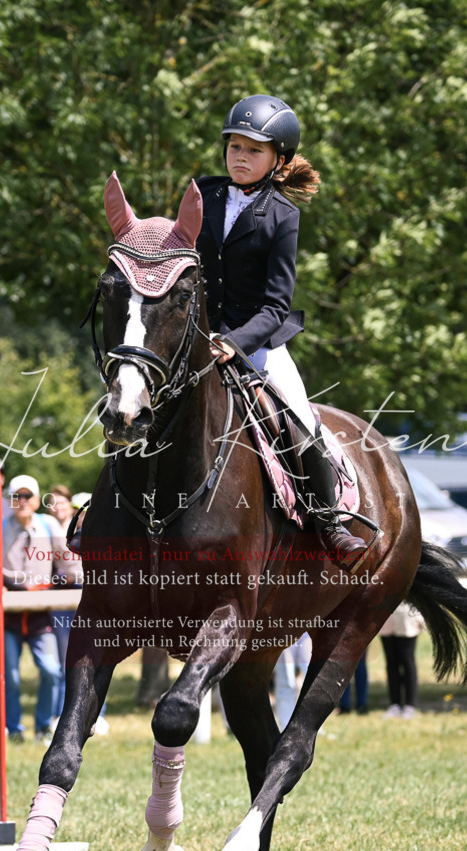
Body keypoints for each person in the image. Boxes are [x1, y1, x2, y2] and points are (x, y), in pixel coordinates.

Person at [196, 94, 372, 567]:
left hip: (255, 343)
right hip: (195, 336)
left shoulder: (282, 216)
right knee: (137, 395)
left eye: (253, 150)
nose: (240, 157)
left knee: (299, 417)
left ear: (278, 158)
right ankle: (103, 513)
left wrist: (234, 342)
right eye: (234, 146)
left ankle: (329, 519)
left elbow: (276, 306)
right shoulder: (200, 195)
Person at [2, 474, 68, 744]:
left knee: (51, 669)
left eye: (28, 496)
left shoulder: (48, 524)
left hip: (42, 609)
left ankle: (43, 726)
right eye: (17, 496)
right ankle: (14, 729)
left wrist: (86, 582)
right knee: (12, 677)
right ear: (10, 500)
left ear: (37, 500)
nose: (22, 501)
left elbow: (67, 561)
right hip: (9, 611)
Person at [379, 603, 425, 719]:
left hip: (406, 614)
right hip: (386, 612)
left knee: (407, 661)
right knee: (391, 663)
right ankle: (395, 704)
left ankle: (410, 705)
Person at [272, 633, 311, 729]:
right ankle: (285, 727)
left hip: (307, 630)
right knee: (286, 681)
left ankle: (313, 726)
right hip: (284, 631)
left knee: (312, 676)